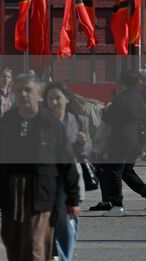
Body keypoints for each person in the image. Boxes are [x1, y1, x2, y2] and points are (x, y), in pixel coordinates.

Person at [0, 73, 80, 261]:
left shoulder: (50, 124)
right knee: (14, 247)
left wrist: (72, 198)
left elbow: (66, 162)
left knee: (36, 248)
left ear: (39, 94)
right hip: (11, 195)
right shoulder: (7, 122)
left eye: (28, 90)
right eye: (19, 91)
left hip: (40, 196)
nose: (23, 95)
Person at [92, 70, 146, 213]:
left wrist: (105, 110)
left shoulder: (121, 98)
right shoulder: (139, 97)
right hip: (137, 139)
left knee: (114, 171)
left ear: (123, 83)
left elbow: (107, 117)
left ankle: (117, 205)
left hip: (122, 139)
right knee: (126, 171)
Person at [45, 81, 91, 260]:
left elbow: (87, 152)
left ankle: (64, 257)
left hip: (70, 178)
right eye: (50, 99)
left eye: (57, 98)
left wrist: (82, 143)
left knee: (67, 223)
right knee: (49, 223)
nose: (54, 102)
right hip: (47, 178)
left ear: (67, 99)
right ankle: (58, 256)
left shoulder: (79, 121)